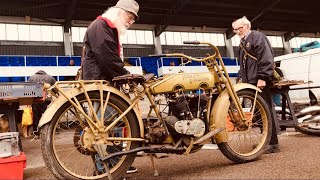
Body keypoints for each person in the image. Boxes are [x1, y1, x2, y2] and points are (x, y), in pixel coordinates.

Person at [82, 0, 139, 174]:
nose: (130, 22)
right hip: (100, 84)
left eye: (133, 19)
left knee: (112, 127)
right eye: (129, 17)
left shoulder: (105, 27)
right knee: (106, 129)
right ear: (119, 12)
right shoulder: (101, 26)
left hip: (104, 83)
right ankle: (107, 168)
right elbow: (106, 57)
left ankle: (117, 162)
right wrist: (125, 74)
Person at [232, 16, 280, 153]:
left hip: (258, 81)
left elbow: (266, 58)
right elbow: (243, 64)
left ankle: (273, 144)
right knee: (259, 113)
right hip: (250, 82)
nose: (236, 32)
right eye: (234, 30)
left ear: (247, 26)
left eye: (239, 29)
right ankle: (266, 141)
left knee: (266, 111)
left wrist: (263, 77)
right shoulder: (243, 42)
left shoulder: (257, 37)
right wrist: (241, 78)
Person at [28, 70, 56, 136]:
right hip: (47, 99)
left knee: (36, 116)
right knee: (47, 116)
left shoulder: (31, 78)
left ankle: (36, 132)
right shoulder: (50, 78)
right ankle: (47, 131)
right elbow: (55, 89)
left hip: (35, 100)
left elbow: (28, 89)